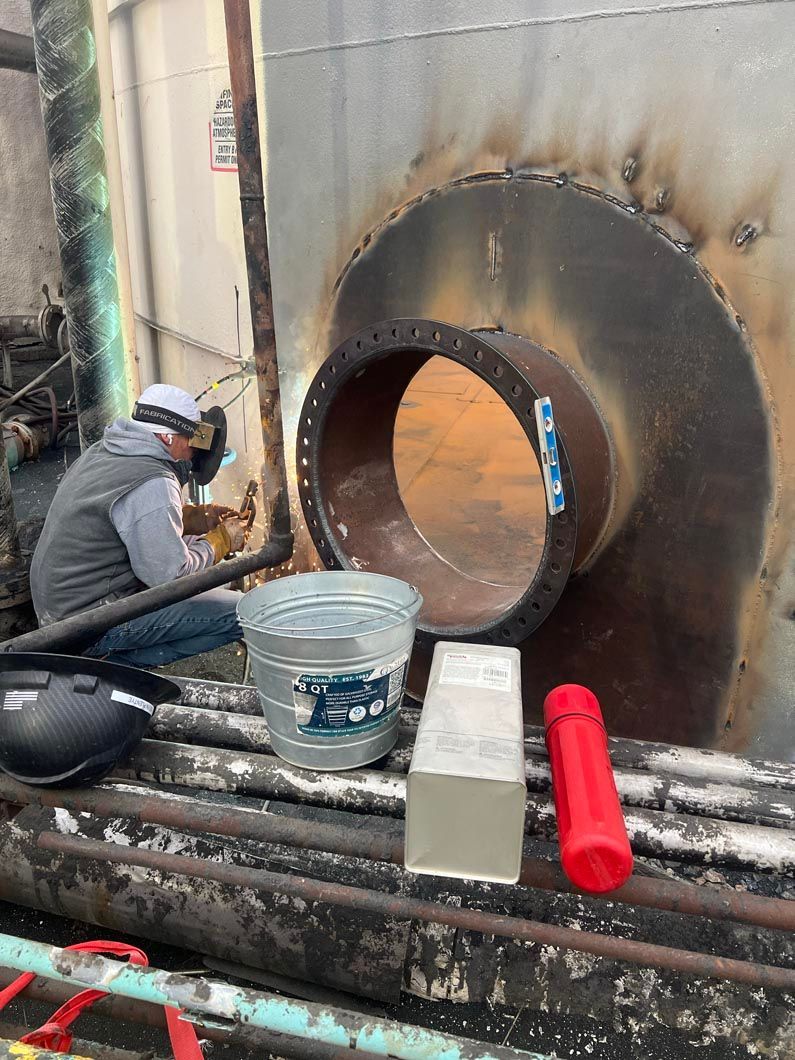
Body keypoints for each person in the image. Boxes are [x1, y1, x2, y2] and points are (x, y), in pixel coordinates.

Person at [30, 383, 251, 667]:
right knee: (246, 615)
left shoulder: (107, 450)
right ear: (166, 437)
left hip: (58, 612)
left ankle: (109, 662)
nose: (194, 450)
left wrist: (196, 517)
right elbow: (170, 579)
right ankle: (114, 668)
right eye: (190, 438)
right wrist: (219, 542)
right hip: (89, 624)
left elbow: (128, 520)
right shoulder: (153, 482)